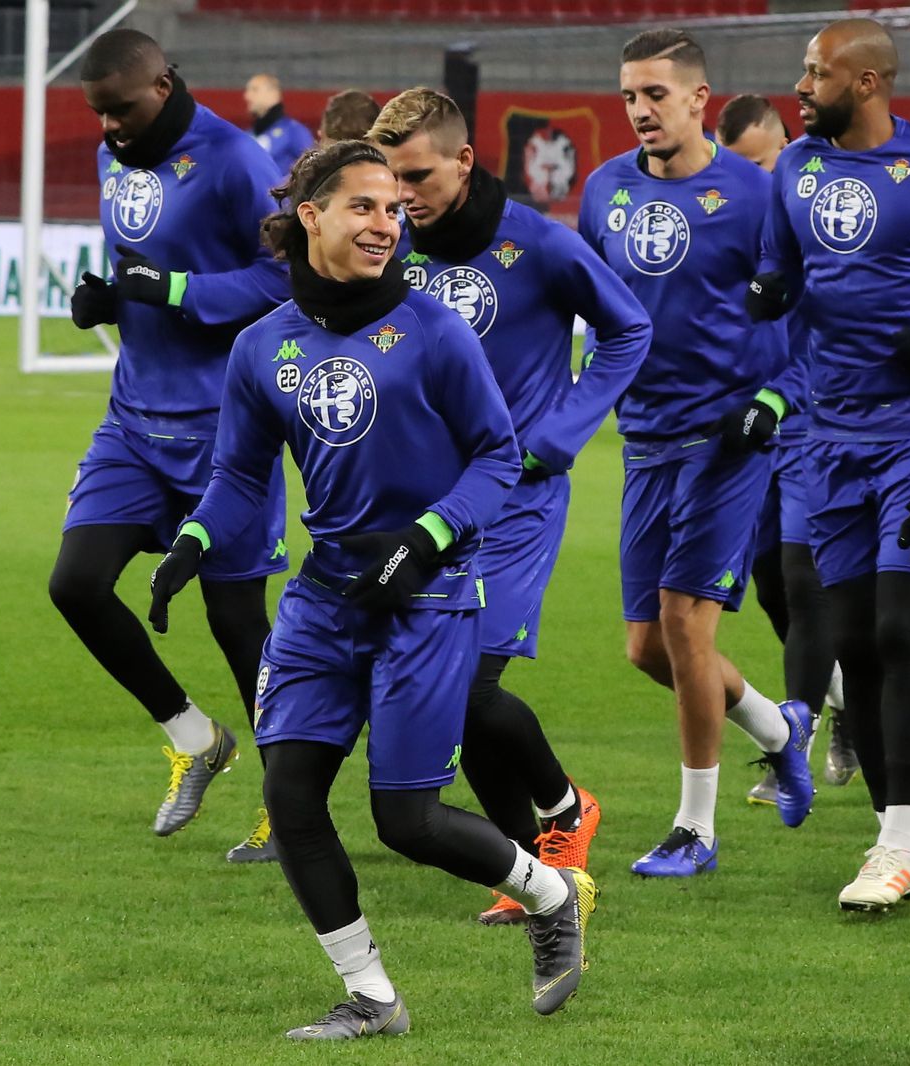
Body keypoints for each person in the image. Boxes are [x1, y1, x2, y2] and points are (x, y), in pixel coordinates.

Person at [147, 140, 597, 1036]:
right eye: (363, 207)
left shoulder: (436, 329)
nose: (385, 224)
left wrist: (426, 541)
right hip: (325, 596)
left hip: (427, 596)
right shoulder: (260, 345)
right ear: (310, 215)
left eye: (393, 209)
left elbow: (497, 454)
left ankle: (550, 896)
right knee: (292, 796)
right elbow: (240, 474)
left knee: (406, 821)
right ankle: (372, 998)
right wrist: (193, 539)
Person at [749, 18, 910, 910]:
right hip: (829, 436)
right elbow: (779, 270)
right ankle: (894, 836)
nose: (802, 85)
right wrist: (769, 290)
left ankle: (902, 840)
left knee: (902, 629)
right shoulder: (794, 168)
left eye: (816, 73)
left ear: (866, 84)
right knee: (853, 639)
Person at [369, 87, 650, 923]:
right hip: (427, 504)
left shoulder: (537, 242)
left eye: (415, 177)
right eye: (388, 181)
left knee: (471, 684)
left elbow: (627, 329)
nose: (401, 197)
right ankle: (529, 871)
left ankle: (566, 814)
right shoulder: (395, 245)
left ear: (463, 160)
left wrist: (561, 431)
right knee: (454, 695)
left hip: (516, 499)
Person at [578, 28, 815, 877]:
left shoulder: (757, 195)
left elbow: (808, 322)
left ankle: (696, 829)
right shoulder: (603, 191)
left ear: (697, 100)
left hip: (727, 441)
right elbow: (597, 309)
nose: (641, 111)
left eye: (656, 95)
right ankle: (783, 730)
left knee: (685, 624)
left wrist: (774, 397)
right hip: (645, 440)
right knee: (648, 649)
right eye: (629, 97)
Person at [55, 29, 289, 860]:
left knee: (236, 622)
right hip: (132, 422)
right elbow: (139, 270)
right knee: (77, 585)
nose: (110, 127)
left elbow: (287, 277)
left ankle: (286, 805)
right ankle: (195, 739)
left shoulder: (233, 160)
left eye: (121, 108)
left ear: (164, 82)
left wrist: (180, 289)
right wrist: (108, 302)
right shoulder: (111, 156)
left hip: (225, 430)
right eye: (98, 113)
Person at [714, 92, 859, 806]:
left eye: (760, 164)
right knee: (772, 588)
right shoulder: (739, 224)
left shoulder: (822, 219)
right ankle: (846, 703)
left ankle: (788, 750)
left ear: (781, 151)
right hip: (750, 432)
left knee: (804, 585)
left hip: (808, 423)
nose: (753, 181)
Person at [245, 72, 315, 175]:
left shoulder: (294, 131)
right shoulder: (247, 135)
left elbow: (313, 169)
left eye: (254, 90)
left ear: (273, 93)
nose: (247, 96)